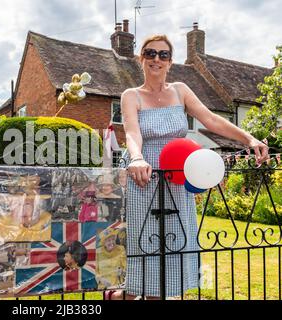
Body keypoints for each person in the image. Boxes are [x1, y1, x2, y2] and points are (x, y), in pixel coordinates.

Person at [108, 34, 269, 300]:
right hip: (144, 177)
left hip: (177, 176)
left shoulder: (180, 90)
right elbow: (133, 133)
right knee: (144, 243)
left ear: (170, 62)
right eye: (150, 54)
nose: (156, 59)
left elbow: (210, 119)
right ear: (141, 59)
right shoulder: (131, 95)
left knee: (174, 241)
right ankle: (124, 294)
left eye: (163, 55)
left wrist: (248, 138)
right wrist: (136, 158)